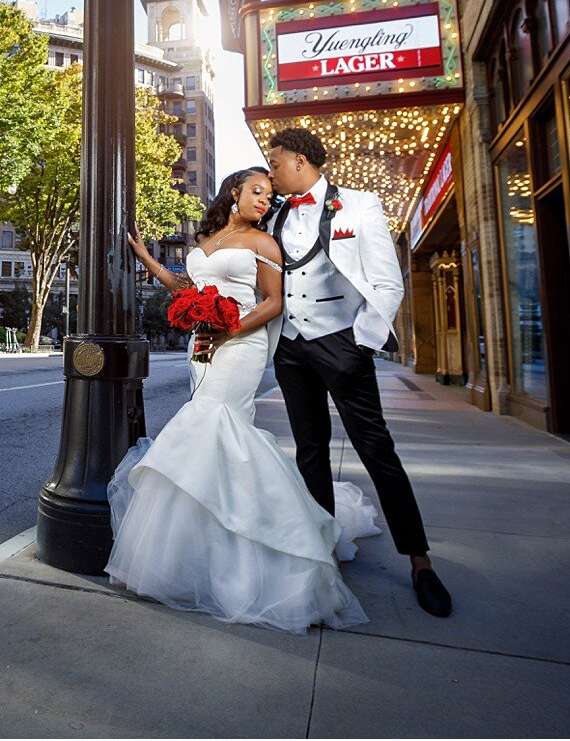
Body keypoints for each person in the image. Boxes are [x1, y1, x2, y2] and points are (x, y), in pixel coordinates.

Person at [114, 169, 381, 634]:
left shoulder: (264, 244)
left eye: (270, 195)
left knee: (210, 422)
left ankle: (271, 545)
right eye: (257, 191)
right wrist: (146, 260)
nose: (264, 199)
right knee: (215, 439)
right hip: (202, 347)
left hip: (241, 343)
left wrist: (227, 331)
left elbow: (273, 302)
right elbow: (187, 288)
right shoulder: (206, 237)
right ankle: (210, 547)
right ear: (234, 192)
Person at [263, 127, 453, 618]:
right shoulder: (276, 212)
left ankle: (420, 561)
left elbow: (388, 284)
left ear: (302, 161)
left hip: (341, 343)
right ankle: (321, 551)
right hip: (291, 347)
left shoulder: (361, 205)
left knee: (376, 449)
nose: (272, 170)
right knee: (310, 452)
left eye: (277, 161)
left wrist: (357, 344)